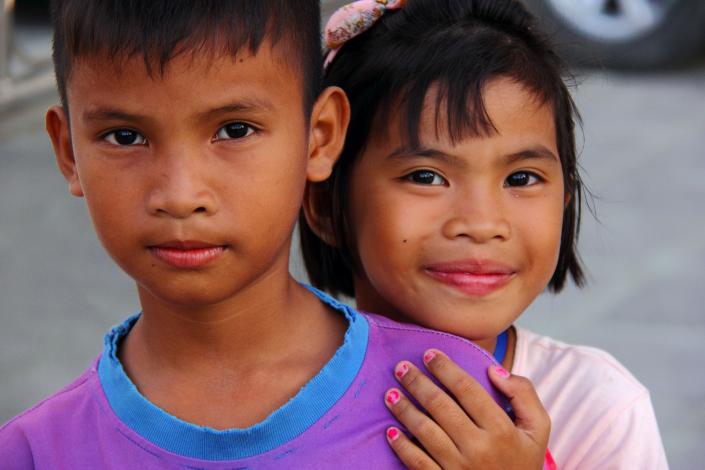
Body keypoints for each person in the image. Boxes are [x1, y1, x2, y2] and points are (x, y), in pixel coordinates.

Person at [0, 1, 546, 468]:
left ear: (319, 137)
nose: (180, 193)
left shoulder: (453, 408)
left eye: (234, 130)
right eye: (125, 137)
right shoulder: (35, 451)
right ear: (69, 151)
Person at [300, 0, 669, 468]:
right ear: (325, 206)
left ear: (566, 197)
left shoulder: (595, 405)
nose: (481, 223)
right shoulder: (280, 392)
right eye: (426, 177)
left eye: (521, 179)